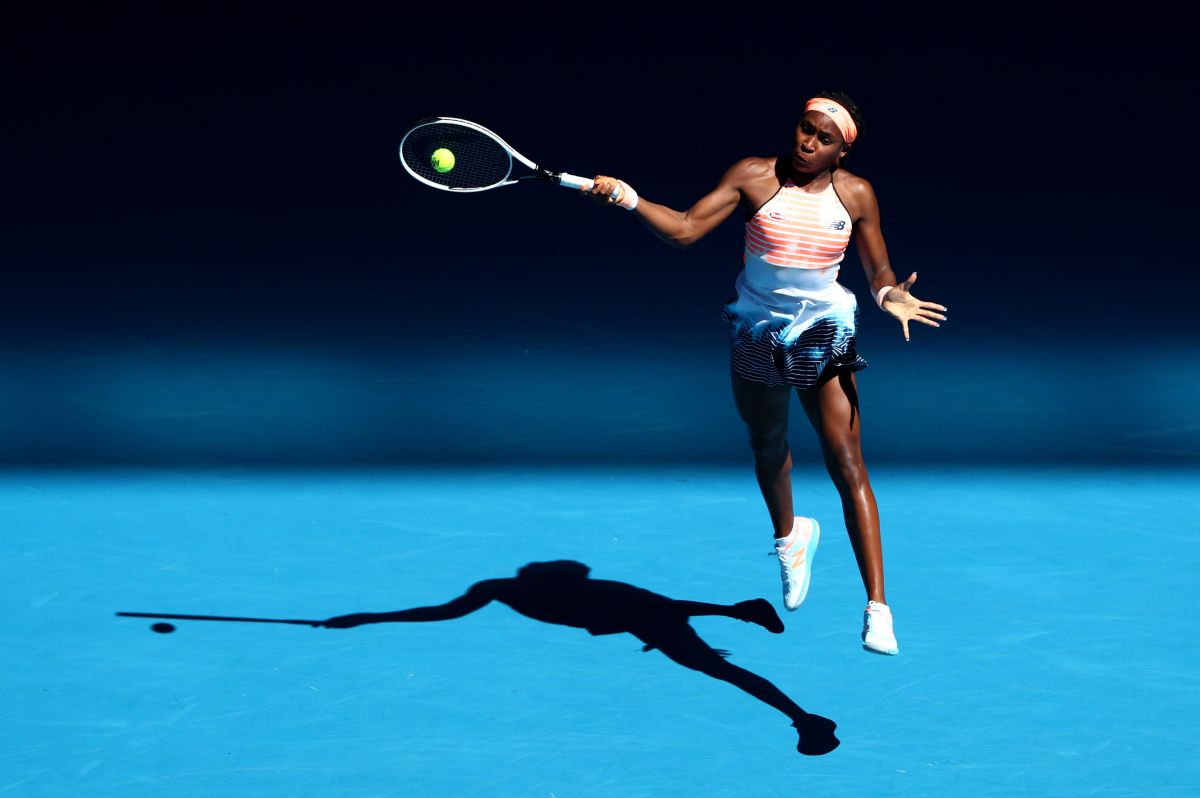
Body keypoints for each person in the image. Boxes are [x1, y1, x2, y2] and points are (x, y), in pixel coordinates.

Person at [584, 92, 946, 655]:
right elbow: (684, 230)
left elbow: (879, 269)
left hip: (823, 330)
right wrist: (630, 199)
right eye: (805, 129)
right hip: (757, 330)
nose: (808, 143)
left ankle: (878, 608)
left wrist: (888, 295)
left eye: (824, 139)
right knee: (767, 444)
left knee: (847, 461)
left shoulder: (856, 195)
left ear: (841, 153)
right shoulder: (753, 177)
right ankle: (790, 537)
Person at [322, 560, 840, 755]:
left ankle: (803, 715)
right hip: (634, 617)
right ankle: (742, 620)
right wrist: (367, 617)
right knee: (709, 661)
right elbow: (443, 614)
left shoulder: (555, 590)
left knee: (716, 668)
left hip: (637, 615)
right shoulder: (502, 588)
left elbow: (652, 610)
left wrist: (724, 613)